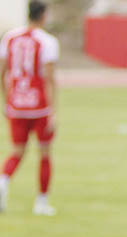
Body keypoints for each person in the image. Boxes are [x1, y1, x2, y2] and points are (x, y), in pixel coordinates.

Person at [0, 1, 57, 216]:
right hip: (39, 105)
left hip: (16, 104)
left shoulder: (10, 37)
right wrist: (53, 111)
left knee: (17, 151)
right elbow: (49, 79)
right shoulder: (47, 41)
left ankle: (3, 182)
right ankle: (42, 202)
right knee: (44, 153)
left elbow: (2, 72)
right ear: (43, 15)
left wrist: (6, 100)